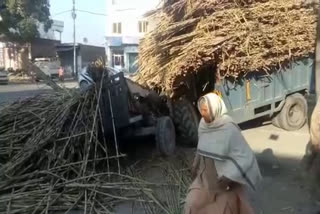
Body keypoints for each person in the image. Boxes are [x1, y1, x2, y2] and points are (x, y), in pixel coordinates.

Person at [184, 92, 262, 214]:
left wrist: (229, 176)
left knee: (221, 209)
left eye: (205, 110)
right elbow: (201, 146)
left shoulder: (228, 128)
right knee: (192, 203)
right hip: (205, 178)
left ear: (214, 108)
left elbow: (245, 157)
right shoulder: (203, 125)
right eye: (201, 110)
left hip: (225, 182)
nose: (202, 114)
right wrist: (196, 164)